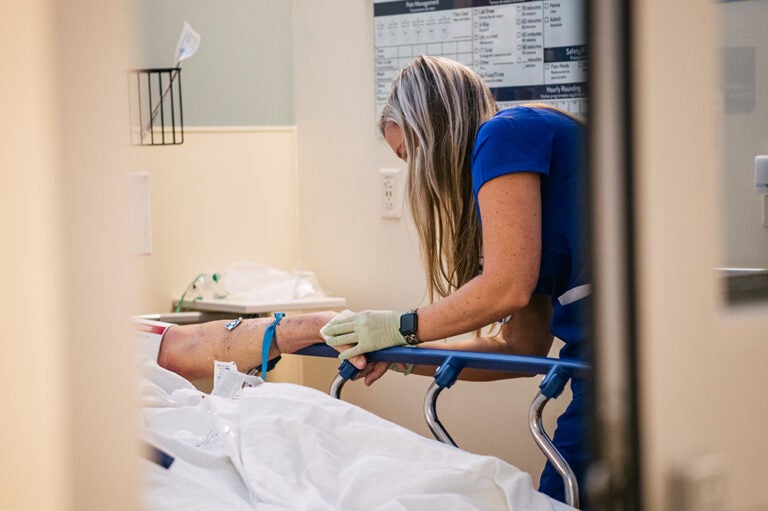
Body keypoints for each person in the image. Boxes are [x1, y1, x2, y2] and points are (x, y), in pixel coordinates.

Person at [320, 55, 591, 504]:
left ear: (434, 132)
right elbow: (518, 346)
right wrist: (405, 355)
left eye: (410, 155)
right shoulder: (522, 168)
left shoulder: (506, 133)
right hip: (614, 365)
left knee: (559, 498)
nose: (416, 176)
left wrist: (398, 325)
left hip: (634, 360)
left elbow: (506, 287)